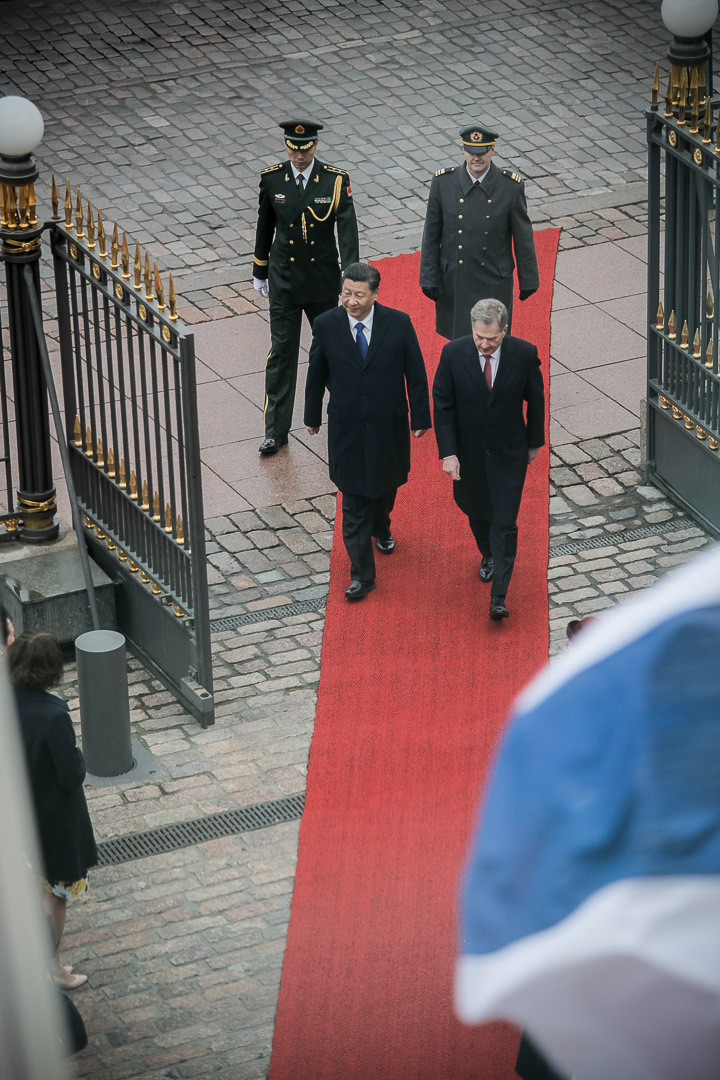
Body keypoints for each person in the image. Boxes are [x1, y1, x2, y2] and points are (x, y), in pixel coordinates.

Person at [304, 261, 431, 600]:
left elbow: (415, 374)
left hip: (388, 426)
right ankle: (362, 575)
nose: (351, 301)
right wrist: (312, 415)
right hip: (347, 430)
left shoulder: (399, 324)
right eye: (346, 293)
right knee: (354, 501)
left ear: (375, 294)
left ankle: (382, 525)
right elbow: (316, 372)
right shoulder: (326, 325)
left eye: (359, 295)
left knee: (385, 488)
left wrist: (421, 418)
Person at [432, 297, 544, 620]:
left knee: (505, 521)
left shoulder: (523, 354)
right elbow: (443, 404)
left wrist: (534, 441)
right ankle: (487, 553)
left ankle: (499, 597)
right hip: (468, 454)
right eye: (479, 337)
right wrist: (449, 452)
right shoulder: (453, 354)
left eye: (491, 339)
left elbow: (535, 399)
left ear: (504, 331)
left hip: (509, 453)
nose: (484, 344)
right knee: (476, 510)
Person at [253, 119, 359, 456]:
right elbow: (265, 225)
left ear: (316, 146)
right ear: (286, 146)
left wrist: (351, 280)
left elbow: (347, 232)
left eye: (306, 148)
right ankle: (275, 430)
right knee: (281, 353)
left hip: (322, 282)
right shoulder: (272, 179)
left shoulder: (334, 181)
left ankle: (349, 415)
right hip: (284, 279)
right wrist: (260, 269)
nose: (300, 155)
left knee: (331, 350)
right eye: (294, 149)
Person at [8, 628, 97, 990]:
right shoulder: (53, 714)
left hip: (18, 812)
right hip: (53, 819)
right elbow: (70, 774)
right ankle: (52, 967)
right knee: (56, 893)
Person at [419, 124, 539, 340]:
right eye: (471, 152)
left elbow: (523, 238)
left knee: (491, 339)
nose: (476, 158)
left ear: (492, 150)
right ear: (463, 150)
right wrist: (428, 277)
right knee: (460, 342)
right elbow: (431, 235)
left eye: (482, 152)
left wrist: (528, 278)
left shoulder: (510, 187)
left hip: (493, 279)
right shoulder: (443, 183)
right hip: (456, 279)